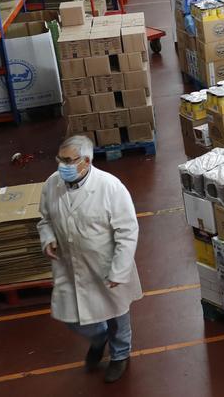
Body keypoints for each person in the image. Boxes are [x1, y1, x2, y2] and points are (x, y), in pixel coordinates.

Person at [38, 135, 142, 384]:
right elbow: (44, 219)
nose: (62, 165)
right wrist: (48, 237)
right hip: (70, 264)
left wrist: (119, 270)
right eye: (60, 159)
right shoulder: (52, 184)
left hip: (105, 263)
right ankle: (98, 337)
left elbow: (127, 231)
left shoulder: (110, 187)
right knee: (71, 317)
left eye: (68, 160)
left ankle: (119, 356)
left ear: (86, 161)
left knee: (117, 314)